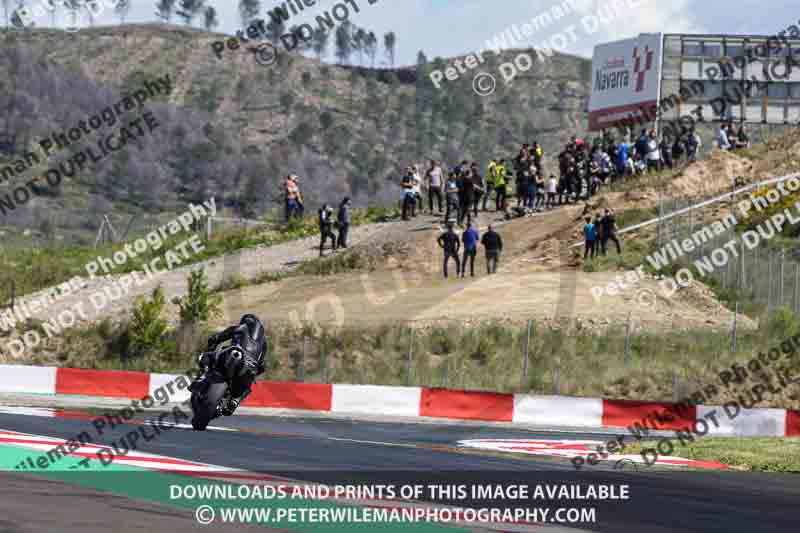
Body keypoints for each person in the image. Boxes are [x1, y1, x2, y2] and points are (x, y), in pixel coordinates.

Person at [200, 314, 267, 416]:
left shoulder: (240, 328)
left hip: (232, 354)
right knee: (247, 385)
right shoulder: (263, 343)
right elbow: (262, 366)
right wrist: (255, 371)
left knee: (205, 357)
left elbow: (218, 337)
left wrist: (212, 343)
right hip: (249, 369)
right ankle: (234, 401)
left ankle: (203, 376)